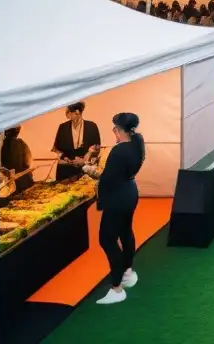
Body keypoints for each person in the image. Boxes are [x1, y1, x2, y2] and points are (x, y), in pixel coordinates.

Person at [86, 112, 145, 305]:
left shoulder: (119, 151)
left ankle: (117, 287)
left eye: (114, 128)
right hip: (129, 193)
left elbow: (106, 179)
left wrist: (90, 171)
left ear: (120, 130)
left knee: (107, 240)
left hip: (118, 198)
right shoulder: (137, 143)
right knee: (126, 232)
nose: (113, 131)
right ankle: (128, 272)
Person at [52, 102, 102, 181]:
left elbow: (97, 147)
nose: (66, 114)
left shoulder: (92, 126)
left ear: (77, 112)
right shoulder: (63, 127)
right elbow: (57, 148)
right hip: (65, 170)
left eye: (68, 112)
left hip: (85, 169)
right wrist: (65, 158)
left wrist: (85, 160)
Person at [0, 126, 34, 192]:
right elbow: (28, 162)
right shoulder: (21, 144)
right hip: (23, 182)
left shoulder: (1, 144)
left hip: (8, 184)